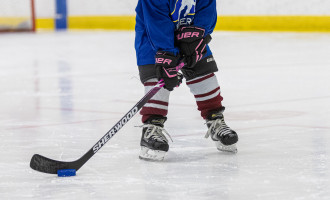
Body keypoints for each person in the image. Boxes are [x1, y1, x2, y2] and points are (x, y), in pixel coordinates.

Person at [135, 0, 238, 161]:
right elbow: (156, 20)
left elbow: (207, 10)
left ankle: (215, 119)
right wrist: (166, 55)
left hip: (191, 33)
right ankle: (152, 128)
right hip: (153, 38)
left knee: (203, 73)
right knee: (157, 77)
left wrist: (198, 36)